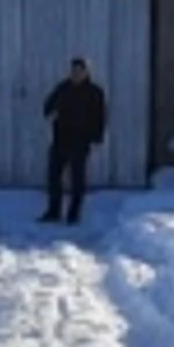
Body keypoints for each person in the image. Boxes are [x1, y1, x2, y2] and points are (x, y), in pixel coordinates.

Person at [40, 57, 107, 224]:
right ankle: (53, 211)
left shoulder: (94, 92)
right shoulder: (63, 88)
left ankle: (74, 214)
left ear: (86, 72)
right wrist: (50, 112)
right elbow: (48, 105)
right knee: (54, 176)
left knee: (77, 179)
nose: (76, 74)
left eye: (79, 71)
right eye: (73, 71)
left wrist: (96, 136)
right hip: (61, 139)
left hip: (80, 141)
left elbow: (100, 116)